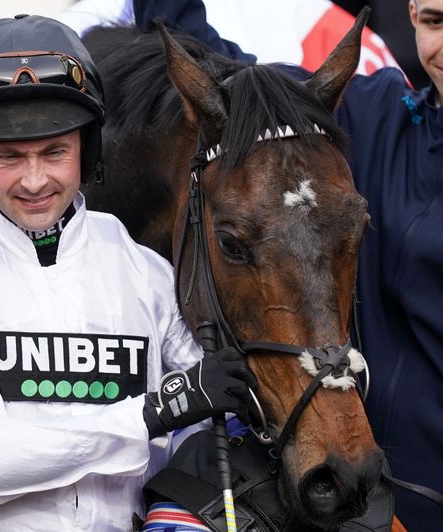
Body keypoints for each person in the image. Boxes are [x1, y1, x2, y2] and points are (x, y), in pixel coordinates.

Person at [0, 14, 257, 530]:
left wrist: (182, 505)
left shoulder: (147, 273)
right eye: (10, 156)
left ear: (88, 147)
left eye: (55, 151)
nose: (35, 180)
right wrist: (152, 413)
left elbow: (211, 415)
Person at [127, 1, 443, 530]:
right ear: (411, 14)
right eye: (436, 21)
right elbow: (220, 72)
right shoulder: (375, 116)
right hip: (365, 496)